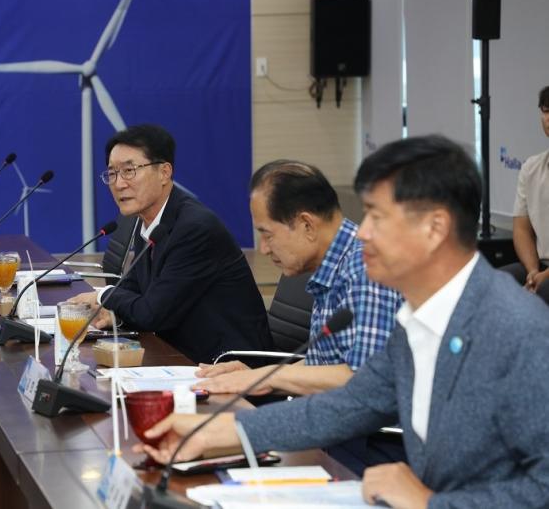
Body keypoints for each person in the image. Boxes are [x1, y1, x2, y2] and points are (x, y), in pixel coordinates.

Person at [135, 135, 549, 508]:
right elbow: (349, 405)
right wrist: (214, 431)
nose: (362, 233)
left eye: (377, 217)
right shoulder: (420, 319)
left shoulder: (516, 329)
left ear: (435, 227)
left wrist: (430, 503)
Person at [193, 161, 402, 398]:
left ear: (307, 225)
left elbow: (363, 379)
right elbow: (323, 365)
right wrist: (254, 376)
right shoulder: (332, 264)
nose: (263, 249)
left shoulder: (365, 269)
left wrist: (266, 378)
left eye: (267, 234)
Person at [67, 124, 272, 364]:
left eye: (129, 171)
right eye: (112, 173)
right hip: (178, 351)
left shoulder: (195, 228)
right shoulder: (147, 219)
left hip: (227, 364)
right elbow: (132, 289)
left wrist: (102, 295)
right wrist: (116, 316)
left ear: (164, 172)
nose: (119, 183)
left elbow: (152, 314)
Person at [501, 85, 549, 304]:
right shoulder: (531, 167)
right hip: (540, 264)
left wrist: (544, 278)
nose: (548, 118)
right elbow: (521, 228)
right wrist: (532, 272)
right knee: (495, 284)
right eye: (545, 111)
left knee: (543, 291)